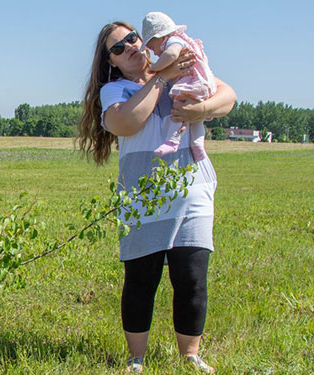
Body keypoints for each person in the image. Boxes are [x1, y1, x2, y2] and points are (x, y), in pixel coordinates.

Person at [77, 21, 237, 373]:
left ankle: (190, 356)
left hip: (191, 189)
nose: (129, 47)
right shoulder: (116, 90)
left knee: (192, 277)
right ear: (111, 63)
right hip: (142, 196)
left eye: (132, 39)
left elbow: (227, 95)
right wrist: (160, 79)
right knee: (141, 278)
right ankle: (136, 359)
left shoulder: (183, 70)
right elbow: (126, 122)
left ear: (145, 41)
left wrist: (201, 110)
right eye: (117, 48)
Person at [141, 11, 217, 162]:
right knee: (195, 118)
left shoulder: (173, 41)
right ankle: (197, 145)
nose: (154, 52)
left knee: (178, 108)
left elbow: (171, 55)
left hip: (193, 82)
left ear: (161, 36)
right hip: (203, 82)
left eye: (152, 46)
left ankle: (173, 141)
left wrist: (155, 68)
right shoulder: (183, 40)